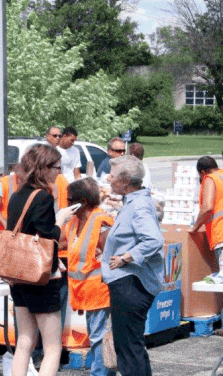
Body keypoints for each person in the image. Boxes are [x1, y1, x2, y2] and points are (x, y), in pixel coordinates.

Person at [5, 144, 75, 376]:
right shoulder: (42, 197)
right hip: (40, 276)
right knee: (52, 346)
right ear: (43, 168)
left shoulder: (17, 194)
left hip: (18, 274)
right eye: (56, 167)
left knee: (24, 341)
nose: (59, 172)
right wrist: (60, 220)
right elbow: (48, 235)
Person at [103, 155, 164, 376]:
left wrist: (126, 257)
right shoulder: (135, 201)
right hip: (129, 282)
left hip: (131, 283)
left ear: (126, 181)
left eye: (113, 176)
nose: (109, 179)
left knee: (129, 349)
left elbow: (154, 240)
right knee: (131, 346)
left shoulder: (138, 205)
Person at [60, 178, 115, 376]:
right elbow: (62, 244)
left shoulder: (101, 221)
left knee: (99, 335)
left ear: (81, 202)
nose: (66, 203)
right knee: (96, 334)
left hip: (99, 288)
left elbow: (111, 253)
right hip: (84, 290)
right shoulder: (74, 221)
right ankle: (101, 371)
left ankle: (99, 373)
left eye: (69, 200)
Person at [190, 156, 223, 283]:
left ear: (202, 172)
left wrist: (195, 227)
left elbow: (207, 208)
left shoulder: (210, 179)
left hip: (220, 233)